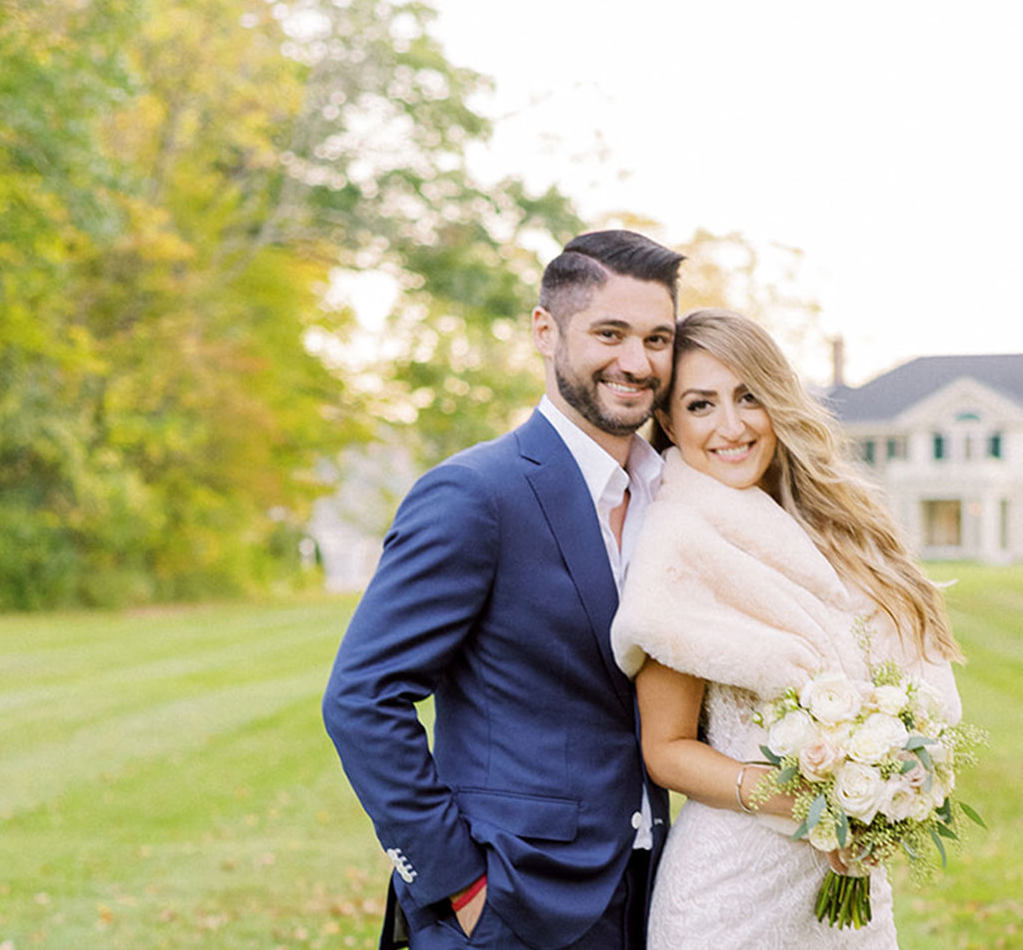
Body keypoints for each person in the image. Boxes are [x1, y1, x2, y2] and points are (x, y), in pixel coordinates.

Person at [322, 229, 687, 950]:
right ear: (545, 332)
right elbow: (362, 697)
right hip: (509, 901)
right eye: (609, 333)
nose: (636, 362)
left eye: (657, 339)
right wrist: (454, 880)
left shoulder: (672, 498)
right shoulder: (475, 494)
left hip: (653, 893)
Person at [609, 309, 964, 948]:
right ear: (667, 422)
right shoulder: (682, 543)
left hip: (849, 891)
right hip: (730, 896)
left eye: (749, 396)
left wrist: (887, 787)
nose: (731, 425)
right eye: (700, 405)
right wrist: (816, 801)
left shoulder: (842, 528)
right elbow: (665, 751)